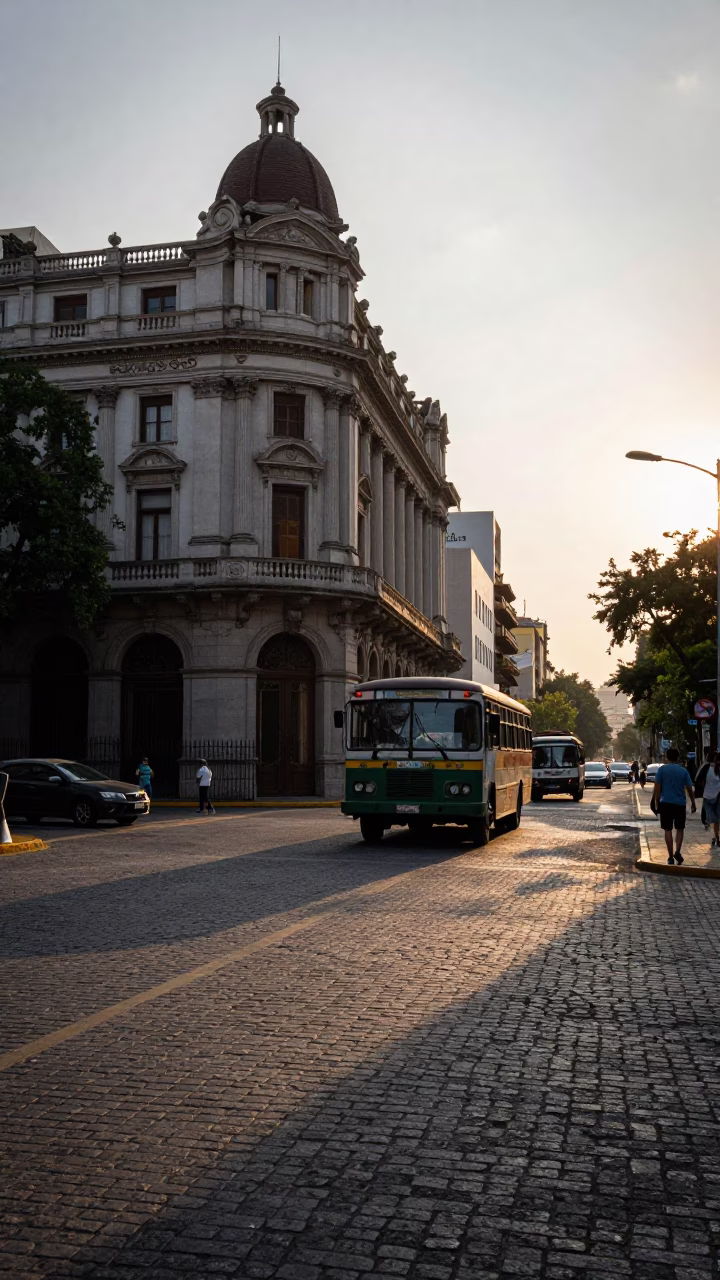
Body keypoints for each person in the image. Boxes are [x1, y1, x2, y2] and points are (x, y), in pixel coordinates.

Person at [652, 746, 696, 865]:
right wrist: (693, 802)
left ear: (667, 757)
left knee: (667, 829)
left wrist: (657, 802)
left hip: (665, 803)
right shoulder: (683, 771)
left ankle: (670, 856)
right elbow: (689, 788)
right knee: (680, 829)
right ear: (678, 757)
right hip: (680, 804)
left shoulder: (662, 770)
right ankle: (678, 851)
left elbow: (657, 788)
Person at [699, 751, 720, 848]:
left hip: (718, 796)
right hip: (707, 796)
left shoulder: (718, 768)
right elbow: (698, 779)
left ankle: (716, 837)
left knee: (717, 819)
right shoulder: (706, 768)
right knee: (712, 818)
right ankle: (713, 835)